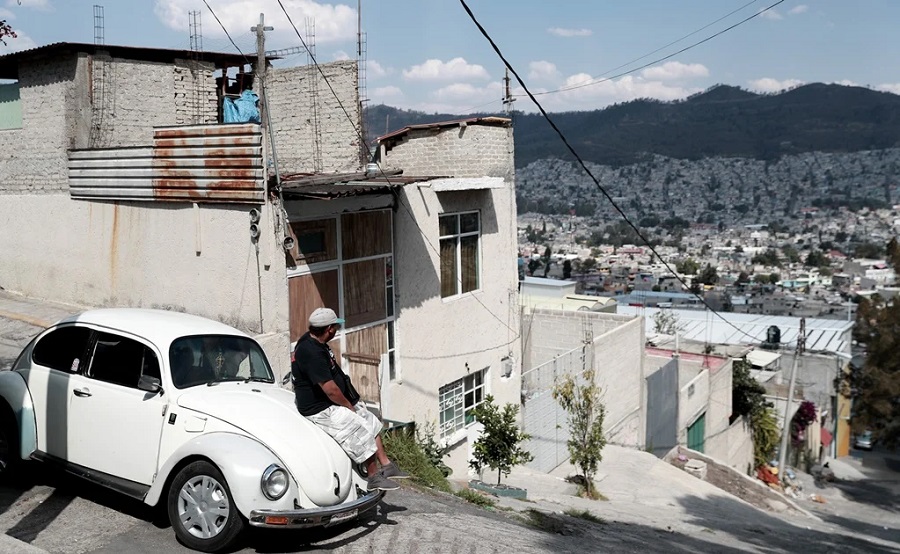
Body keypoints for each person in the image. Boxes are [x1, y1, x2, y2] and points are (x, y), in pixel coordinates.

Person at [292, 307, 408, 491]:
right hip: (319, 408)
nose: (337, 329)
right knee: (358, 426)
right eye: (336, 327)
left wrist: (352, 402)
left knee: (370, 420)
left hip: (333, 401)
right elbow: (330, 390)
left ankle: (386, 465)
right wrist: (348, 406)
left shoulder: (317, 342)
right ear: (329, 329)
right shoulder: (310, 351)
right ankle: (373, 477)